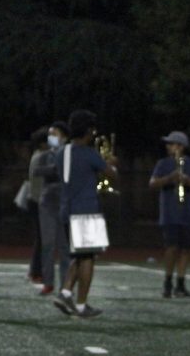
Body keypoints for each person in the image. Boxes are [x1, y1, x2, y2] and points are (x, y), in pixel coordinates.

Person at [53, 110, 117, 319]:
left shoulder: (63, 151)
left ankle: (65, 293)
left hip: (66, 209)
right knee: (88, 258)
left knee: (79, 256)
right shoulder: (89, 153)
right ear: (88, 130)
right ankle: (81, 305)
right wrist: (111, 162)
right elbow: (111, 174)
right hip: (87, 210)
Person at [149, 130, 190, 299]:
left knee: (186, 249)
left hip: (186, 212)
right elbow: (152, 184)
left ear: (181, 146)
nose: (168, 146)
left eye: (171, 143)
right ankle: (167, 282)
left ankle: (180, 284)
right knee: (171, 247)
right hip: (169, 212)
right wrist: (169, 179)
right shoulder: (163, 163)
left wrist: (187, 180)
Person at [31, 121, 70, 296]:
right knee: (47, 244)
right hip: (47, 202)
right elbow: (38, 171)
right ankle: (48, 282)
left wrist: (54, 170)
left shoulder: (69, 153)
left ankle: (65, 284)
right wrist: (55, 169)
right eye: (50, 134)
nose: (51, 137)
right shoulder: (45, 155)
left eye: (55, 134)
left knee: (63, 246)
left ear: (64, 137)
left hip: (64, 202)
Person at [25, 127, 48, 284]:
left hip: (36, 200)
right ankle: (37, 271)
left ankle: (36, 270)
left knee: (41, 238)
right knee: (42, 239)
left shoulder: (38, 155)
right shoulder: (41, 157)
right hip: (39, 201)